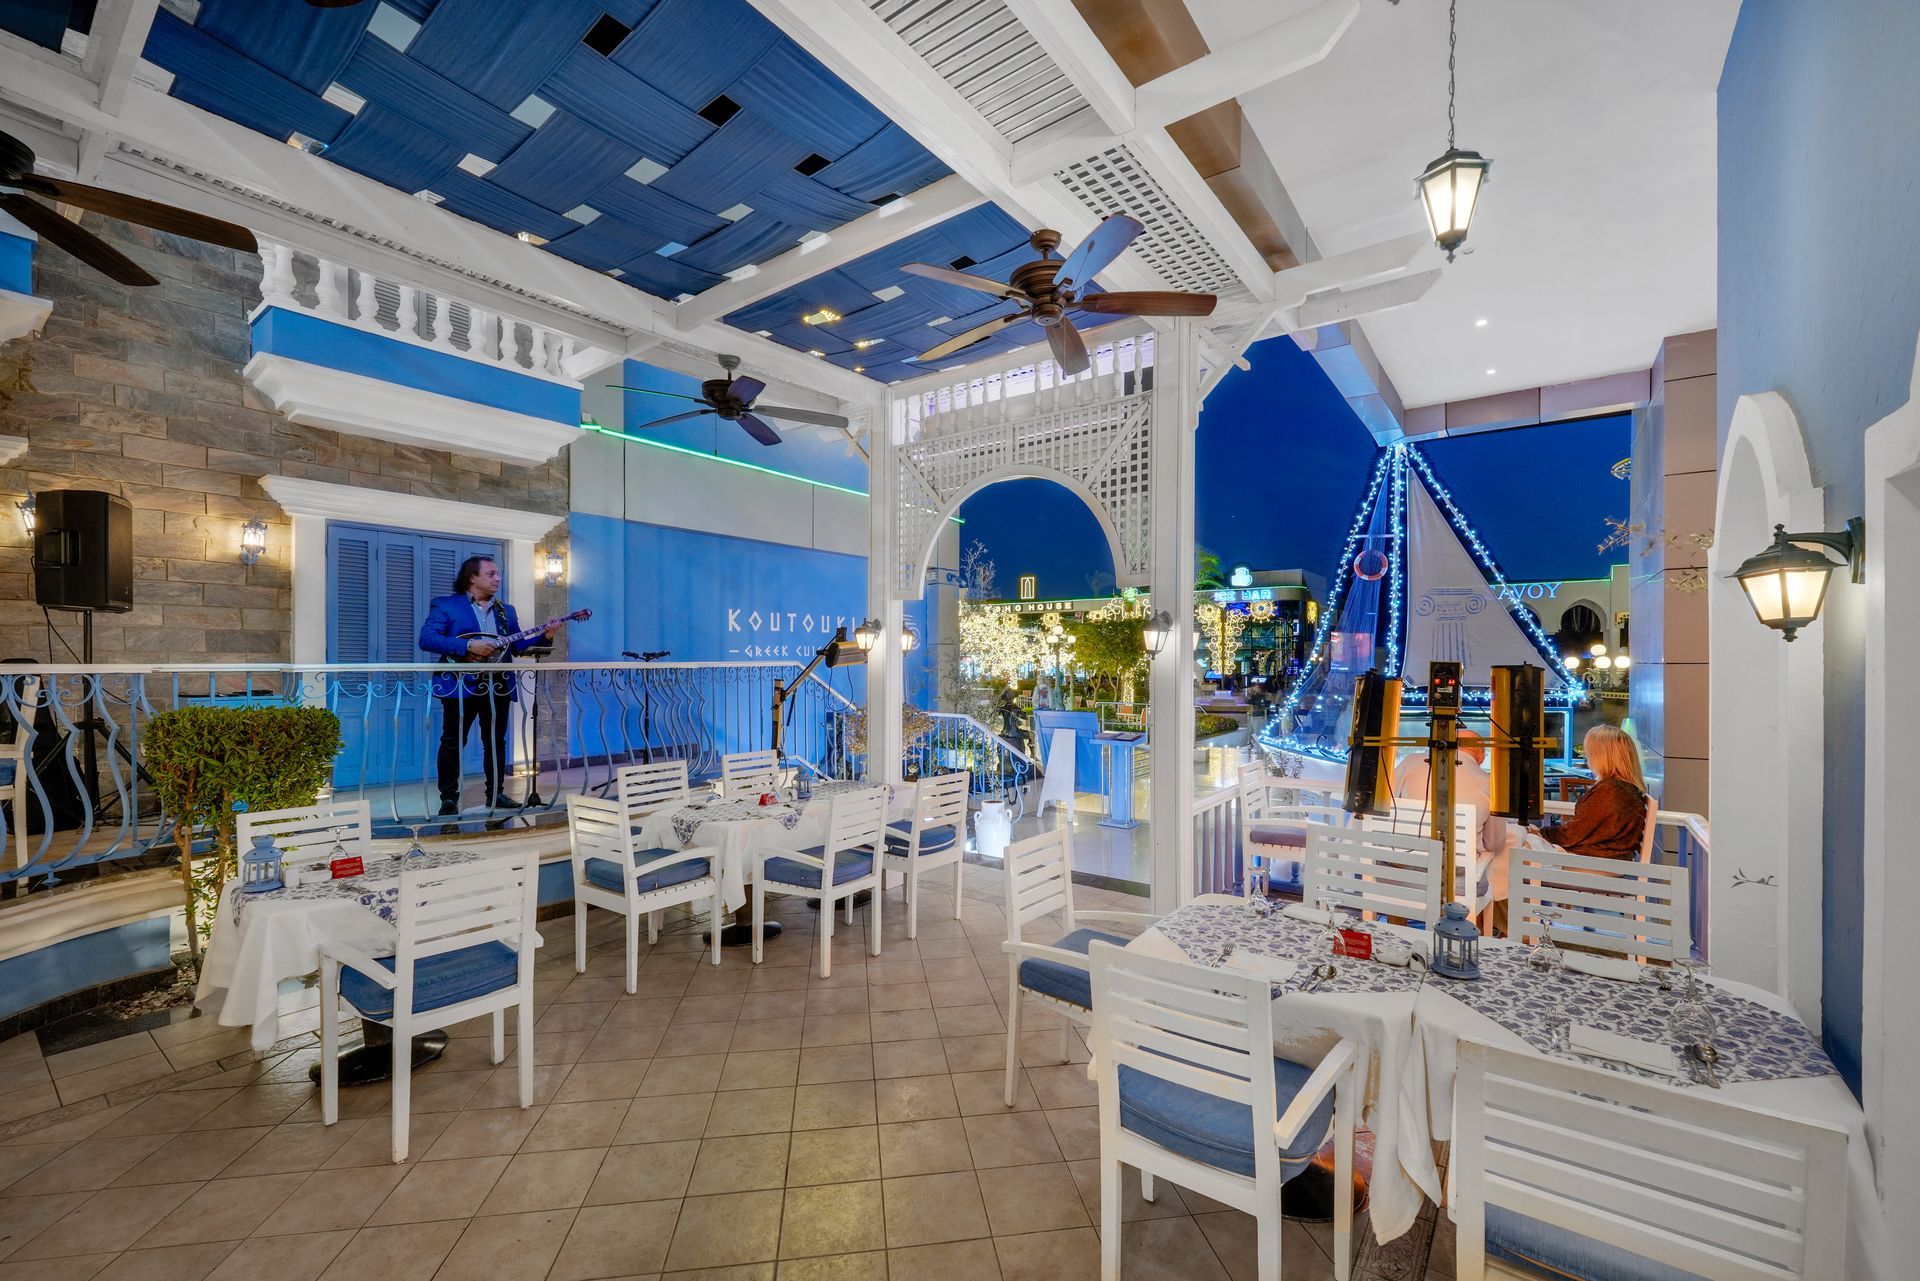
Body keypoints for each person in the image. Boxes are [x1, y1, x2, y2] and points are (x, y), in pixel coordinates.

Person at [418, 556, 558, 814]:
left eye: (498, 574)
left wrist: (545, 635)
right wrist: (468, 646)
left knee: (495, 742)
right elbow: (427, 639)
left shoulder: (506, 611)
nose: (497, 578)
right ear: (472, 577)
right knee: (452, 742)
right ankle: (449, 798)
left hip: (498, 685)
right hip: (460, 684)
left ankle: (496, 795)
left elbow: (517, 646)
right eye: (491, 574)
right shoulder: (446, 605)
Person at [1390, 726, 1513, 930]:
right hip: (1457, 884)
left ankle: (1395, 930)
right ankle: (1472, 934)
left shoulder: (1410, 762)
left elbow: (1385, 804)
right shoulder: (1490, 783)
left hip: (1398, 873)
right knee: (1491, 864)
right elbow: (1493, 843)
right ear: (1481, 757)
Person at [1534, 724, 1649, 860]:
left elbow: (1571, 834)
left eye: (1588, 751)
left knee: (1514, 846)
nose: (1586, 756)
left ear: (1602, 756)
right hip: (1602, 860)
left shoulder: (1611, 791)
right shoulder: (1622, 789)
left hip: (1591, 862)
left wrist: (1538, 832)